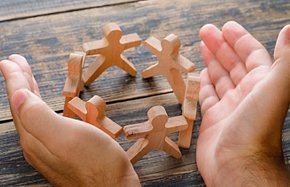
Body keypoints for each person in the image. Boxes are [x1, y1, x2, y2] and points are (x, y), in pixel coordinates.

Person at [0, 21, 289, 186]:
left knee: (176, 91)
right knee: (109, 72)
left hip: (164, 85)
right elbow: (124, 128)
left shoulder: (163, 117)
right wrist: (245, 162)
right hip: (141, 79)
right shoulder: (92, 108)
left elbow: (132, 130)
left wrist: (113, 182)